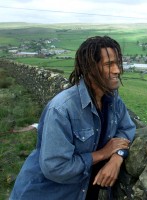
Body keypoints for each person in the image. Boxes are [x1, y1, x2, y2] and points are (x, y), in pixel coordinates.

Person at [10, 36, 136, 200]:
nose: (117, 70)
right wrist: (103, 154)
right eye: (108, 64)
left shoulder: (113, 101)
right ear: (90, 69)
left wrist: (117, 156)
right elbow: (55, 167)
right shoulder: (62, 109)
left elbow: (126, 128)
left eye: (118, 63)